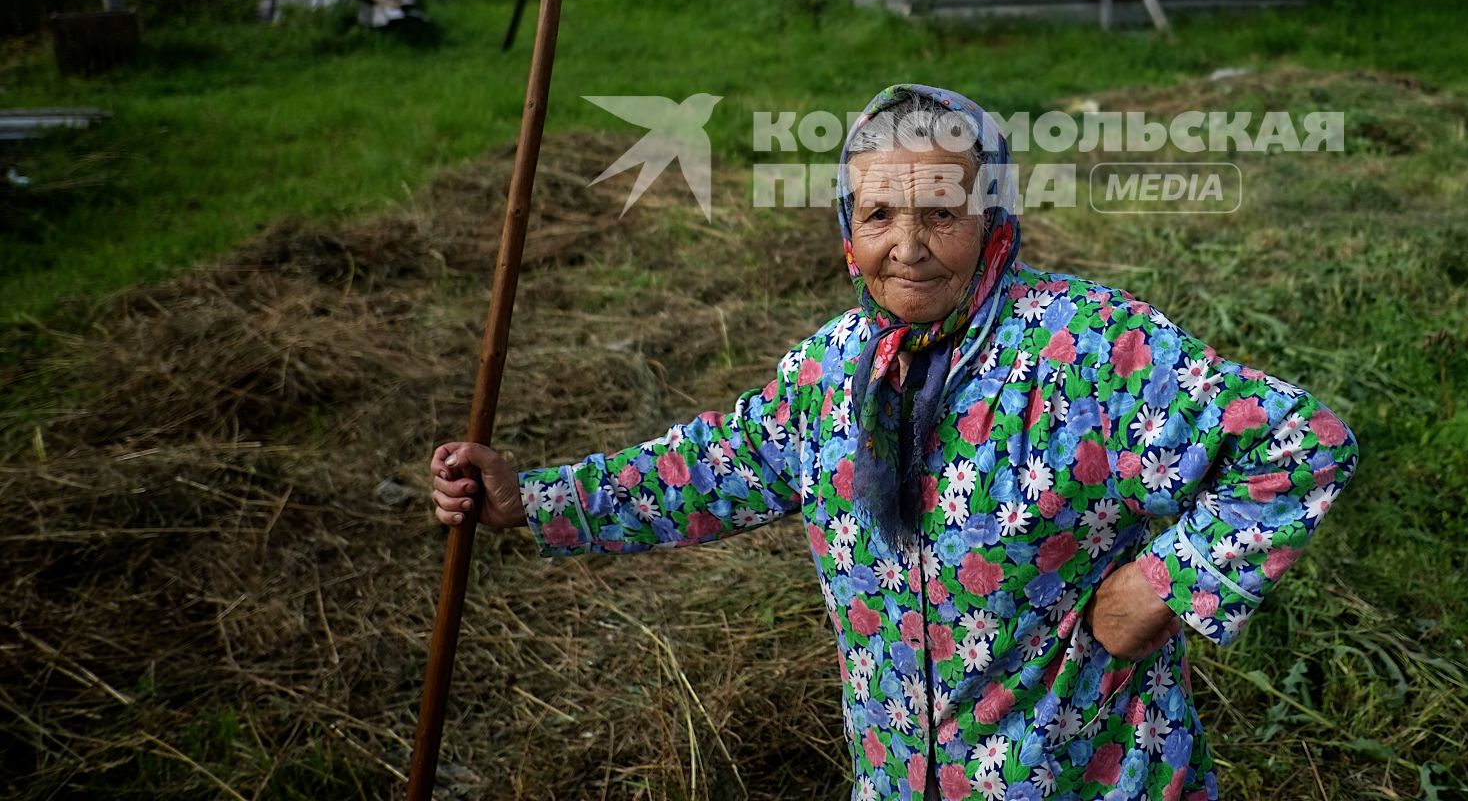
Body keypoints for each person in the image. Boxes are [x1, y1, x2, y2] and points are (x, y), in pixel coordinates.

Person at [431, 83, 1358, 801]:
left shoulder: (1087, 353)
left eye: (939, 214)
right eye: (878, 215)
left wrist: (1151, 592)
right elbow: (711, 468)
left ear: (991, 220)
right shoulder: (835, 371)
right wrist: (535, 500)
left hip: (1085, 776)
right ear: (846, 232)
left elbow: (1300, 444)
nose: (907, 246)